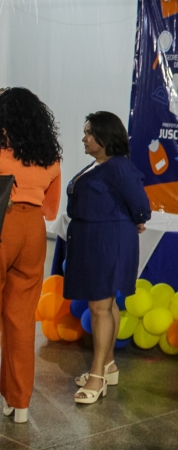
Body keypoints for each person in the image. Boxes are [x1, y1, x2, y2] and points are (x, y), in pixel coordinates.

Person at [64, 112, 151, 405]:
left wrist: (137, 219)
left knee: (100, 307)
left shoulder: (119, 166)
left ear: (106, 136)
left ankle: (96, 376)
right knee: (106, 304)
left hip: (108, 242)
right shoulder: (98, 165)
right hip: (95, 240)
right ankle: (109, 365)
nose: (84, 138)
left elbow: (141, 204)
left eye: (89, 133)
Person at [0, 88, 61, 424]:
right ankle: (19, 402)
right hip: (33, 231)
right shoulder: (49, 156)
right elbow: (51, 209)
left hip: (3, 224)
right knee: (22, 321)